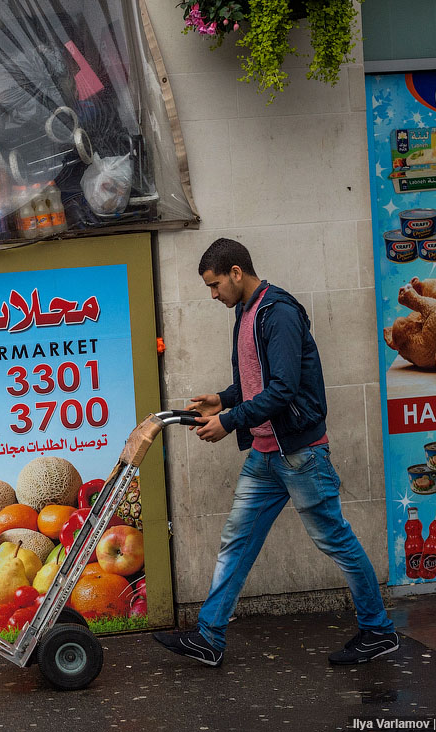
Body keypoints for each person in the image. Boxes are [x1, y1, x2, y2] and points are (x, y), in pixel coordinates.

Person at [153, 238, 397, 668]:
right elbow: (257, 381)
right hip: (267, 455)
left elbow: (283, 389)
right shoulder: (245, 312)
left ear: (235, 272)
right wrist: (223, 400)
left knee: (335, 539)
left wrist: (230, 422)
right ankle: (210, 637)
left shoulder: (277, 312)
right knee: (236, 540)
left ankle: (378, 631)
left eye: (214, 285)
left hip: (299, 454)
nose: (213, 296)